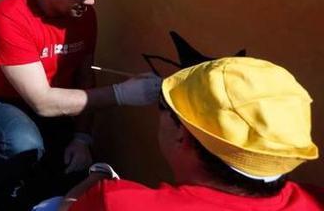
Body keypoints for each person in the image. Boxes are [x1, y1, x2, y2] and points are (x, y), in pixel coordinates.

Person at [0, 0, 163, 209]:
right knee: (23, 145)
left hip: (53, 105)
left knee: (74, 171)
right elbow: (42, 102)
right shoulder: (11, 16)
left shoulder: (84, 15)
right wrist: (121, 94)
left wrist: (83, 138)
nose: (91, 0)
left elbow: (85, 78)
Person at [53, 56, 323, 211]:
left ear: (183, 134)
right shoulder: (314, 200)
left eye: (164, 105)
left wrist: (97, 177)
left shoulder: (119, 202)